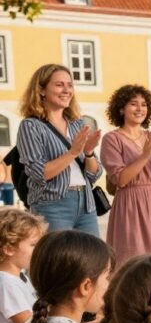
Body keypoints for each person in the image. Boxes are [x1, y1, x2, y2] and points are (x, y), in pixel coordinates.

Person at [16, 64, 103, 234]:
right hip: (52, 205)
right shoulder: (31, 126)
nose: (66, 90)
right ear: (41, 90)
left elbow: (94, 174)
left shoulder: (78, 124)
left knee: (94, 259)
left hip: (86, 204)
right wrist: (72, 153)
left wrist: (89, 152)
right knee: (58, 260)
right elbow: (39, 173)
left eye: (69, 85)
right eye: (59, 85)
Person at [100, 84, 151, 261]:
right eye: (133, 104)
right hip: (130, 204)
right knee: (132, 259)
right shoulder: (112, 139)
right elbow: (120, 179)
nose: (140, 108)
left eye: (144, 104)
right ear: (121, 109)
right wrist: (144, 156)